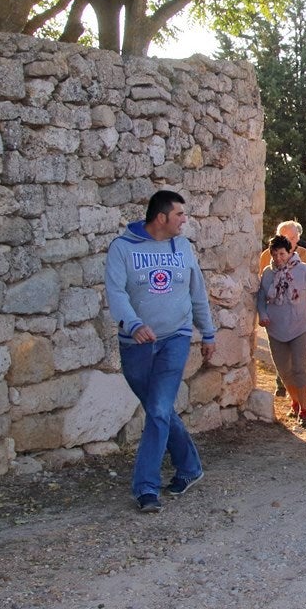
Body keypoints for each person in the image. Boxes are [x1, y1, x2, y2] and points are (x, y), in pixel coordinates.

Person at [104, 190, 216, 513]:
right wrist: (134, 324)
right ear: (161, 218)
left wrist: (207, 332)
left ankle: (146, 488)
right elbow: (116, 293)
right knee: (159, 409)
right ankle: (190, 466)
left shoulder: (182, 247)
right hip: (135, 343)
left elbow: (198, 293)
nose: (185, 220)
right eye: (179, 215)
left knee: (156, 409)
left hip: (175, 338)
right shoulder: (122, 248)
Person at [257, 235, 306, 428]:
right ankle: (294, 401)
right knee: (284, 371)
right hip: (275, 327)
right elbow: (261, 297)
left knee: (299, 368)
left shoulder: (303, 270)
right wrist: (262, 314)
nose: (278, 258)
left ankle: (304, 409)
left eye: (282, 253)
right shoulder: (268, 273)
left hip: (300, 326)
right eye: (275, 254)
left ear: (289, 252)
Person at [259, 220, 306, 397]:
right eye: (285, 237)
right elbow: (263, 287)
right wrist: (263, 312)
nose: (289, 241)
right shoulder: (267, 257)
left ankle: (301, 403)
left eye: (292, 237)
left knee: (298, 364)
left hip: (300, 320)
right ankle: (283, 385)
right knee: (282, 361)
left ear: (298, 239)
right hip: (277, 320)